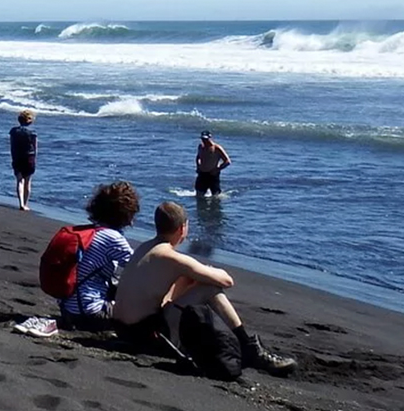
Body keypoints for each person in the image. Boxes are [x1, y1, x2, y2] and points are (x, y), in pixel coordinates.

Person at [111, 201, 293, 374]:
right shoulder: (170, 257)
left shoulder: (145, 248)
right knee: (209, 287)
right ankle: (249, 347)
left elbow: (162, 298)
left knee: (190, 278)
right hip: (146, 336)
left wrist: (191, 278)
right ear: (182, 228)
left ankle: (247, 347)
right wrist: (209, 272)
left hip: (125, 329)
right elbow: (227, 281)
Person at [58, 181, 139, 327]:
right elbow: (138, 268)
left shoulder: (90, 232)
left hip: (67, 308)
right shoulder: (113, 238)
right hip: (89, 313)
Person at [10, 110, 38, 211]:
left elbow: (12, 146)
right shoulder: (33, 132)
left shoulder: (13, 131)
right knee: (27, 181)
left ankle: (21, 203)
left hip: (17, 156)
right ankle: (25, 204)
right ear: (30, 121)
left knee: (19, 181)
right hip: (29, 157)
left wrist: (13, 157)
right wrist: (35, 159)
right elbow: (35, 148)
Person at [195, 130, 231, 198]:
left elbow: (227, 161)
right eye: (203, 139)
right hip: (202, 173)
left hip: (213, 174)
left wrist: (217, 169)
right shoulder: (201, 147)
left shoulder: (217, 148)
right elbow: (198, 158)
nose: (204, 141)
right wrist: (198, 166)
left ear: (210, 138)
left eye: (206, 139)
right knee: (199, 195)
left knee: (215, 196)